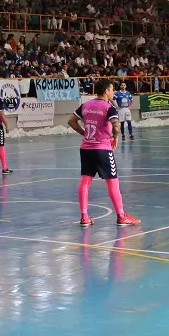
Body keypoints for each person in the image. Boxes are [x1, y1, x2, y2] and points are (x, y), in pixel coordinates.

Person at [69, 79, 140, 227]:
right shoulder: (108, 108)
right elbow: (115, 126)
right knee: (112, 181)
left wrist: (84, 133)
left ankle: (84, 217)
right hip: (102, 149)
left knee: (85, 181)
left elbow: (71, 121)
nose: (113, 92)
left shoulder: (86, 105)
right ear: (106, 91)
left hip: (86, 148)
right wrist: (115, 136)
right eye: (112, 89)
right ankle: (121, 216)